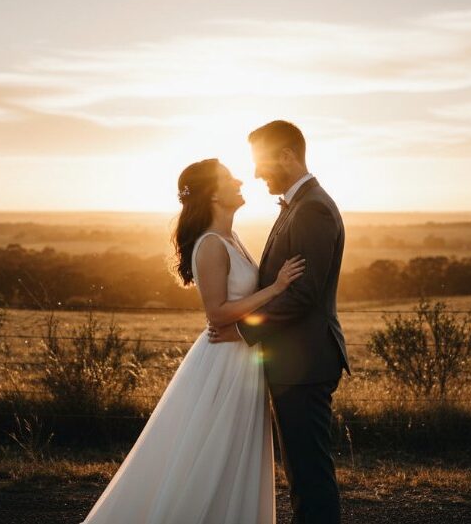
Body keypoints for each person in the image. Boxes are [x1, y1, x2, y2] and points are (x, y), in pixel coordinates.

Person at [80, 157, 304, 524]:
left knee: (233, 456)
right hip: (225, 361)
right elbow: (216, 313)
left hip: (242, 356)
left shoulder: (231, 238)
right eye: (228, 178)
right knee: (212, 455)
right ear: (212, 194)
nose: (238, 181)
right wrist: (277, 288)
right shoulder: (211, 244)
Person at [208, 120, 351, 524]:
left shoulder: (313, 210)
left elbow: (303, 295)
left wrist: (241, 330)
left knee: (309, 475)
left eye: (262, 162)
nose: (255, 173)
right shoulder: (301, 205)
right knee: (302, 472)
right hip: (296, 361)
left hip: (305, 363)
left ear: (288, 156)